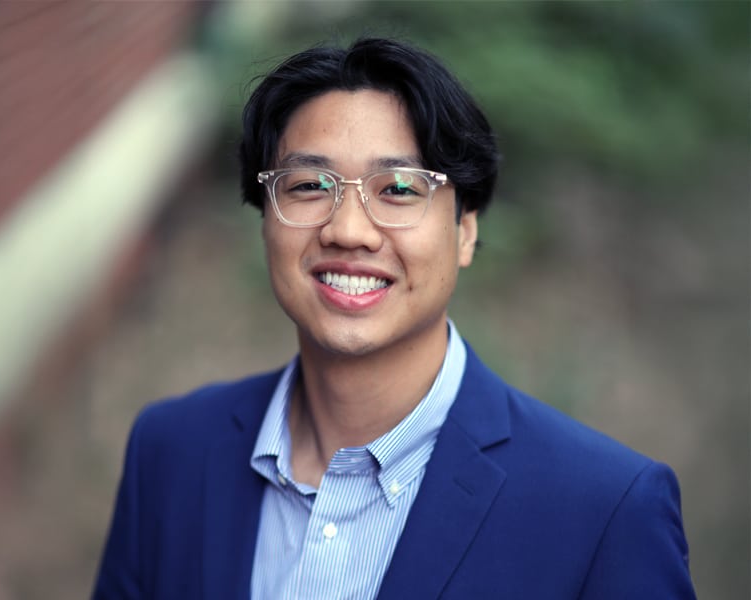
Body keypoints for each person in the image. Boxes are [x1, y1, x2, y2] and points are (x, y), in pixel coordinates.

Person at [92, 38, 695, 599]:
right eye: (308, 185)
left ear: (465, 230)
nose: (348, 230)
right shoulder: (170, 453)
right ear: (265, 220)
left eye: (400, 189)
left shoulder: (604, 510)